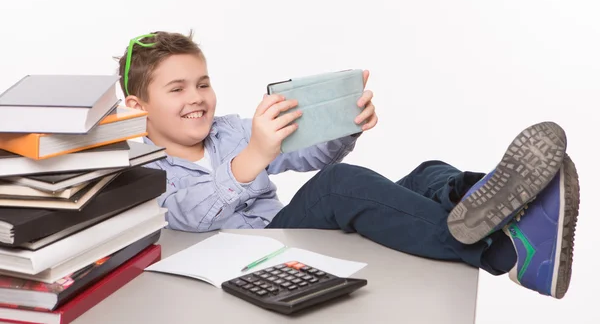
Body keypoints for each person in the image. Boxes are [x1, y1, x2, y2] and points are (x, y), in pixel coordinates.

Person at [116, 30, 580, 299]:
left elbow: (301, 154)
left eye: (202, 83)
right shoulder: (139, 171)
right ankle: (506, 252)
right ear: (138, 107)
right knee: (337, 187)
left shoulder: (230, 129)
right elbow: (191, 215)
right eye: (176, 89)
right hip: (252, 257)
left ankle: (495, 200)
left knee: (427, 171)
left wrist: (344, 128)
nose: (196, 98)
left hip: (285, 230)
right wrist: (254, 155)